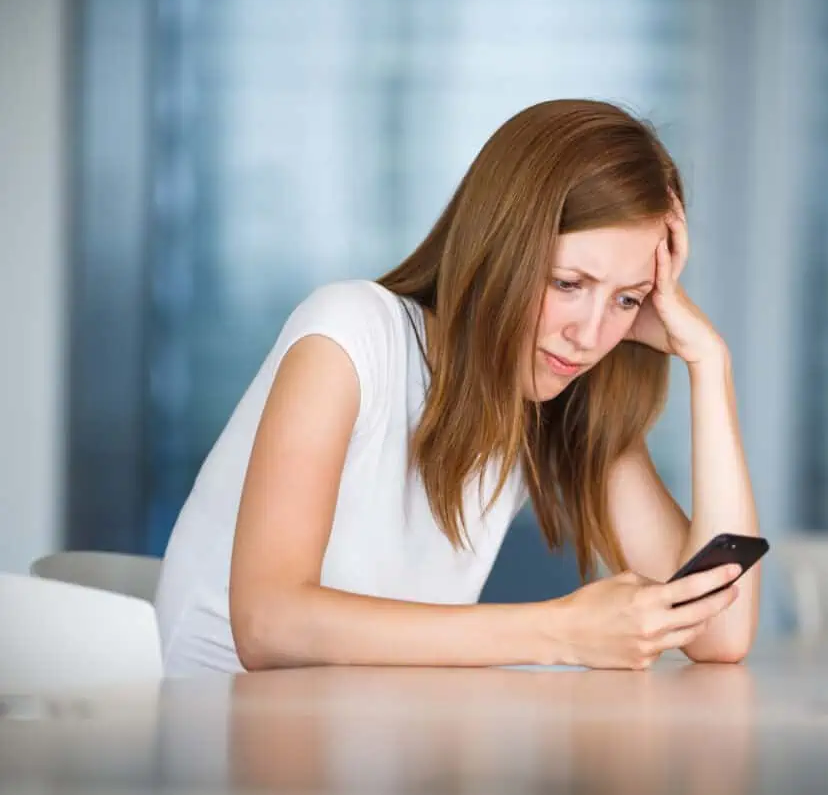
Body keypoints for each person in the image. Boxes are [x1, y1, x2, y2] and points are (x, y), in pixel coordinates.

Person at [154, 99, 761, 675]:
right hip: (222, 741)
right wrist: (559, 631)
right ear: (503, 246)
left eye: (627, 299)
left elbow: (720, 634)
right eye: (568, 283)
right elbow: (268, 624)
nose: (590, 334)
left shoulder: (553, 392)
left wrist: (710, 364)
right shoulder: (350, 333)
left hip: (365, 740)